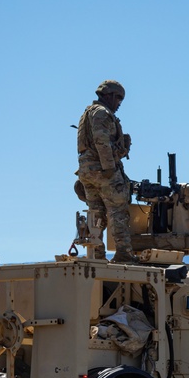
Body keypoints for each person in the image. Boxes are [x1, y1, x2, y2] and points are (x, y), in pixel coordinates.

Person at [75, 79, 136, 262]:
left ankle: (97, 255)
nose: (118, 104)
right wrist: (110, 168)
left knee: (96, 213)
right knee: (118, 210)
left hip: (87, 172)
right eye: (118, 99)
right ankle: (124, 254)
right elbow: (101, 142)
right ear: (110, 96)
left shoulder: (88, 113)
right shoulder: (102, 113)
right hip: (103, 171)